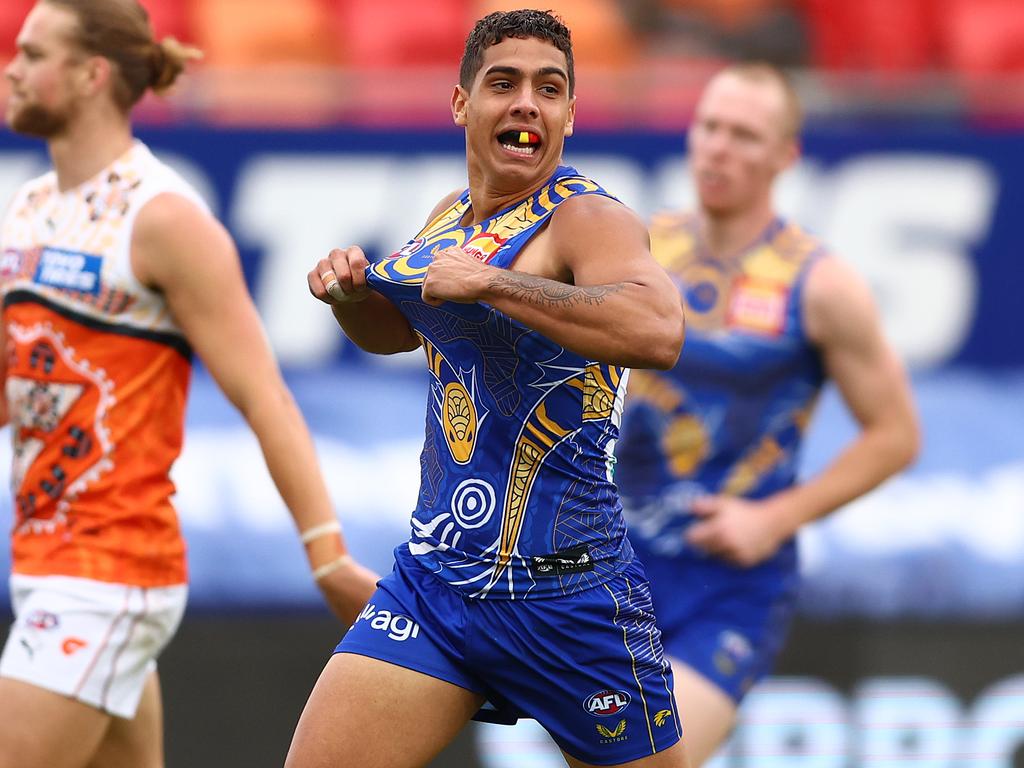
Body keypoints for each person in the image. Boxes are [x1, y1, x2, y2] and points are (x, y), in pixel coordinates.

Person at [289, 9, 689, 768]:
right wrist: (352, 301)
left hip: (572, 599)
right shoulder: (448, 217)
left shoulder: (588, 218)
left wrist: (495, 283)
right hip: (436, 585)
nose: (527, 104)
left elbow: (658, 329)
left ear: (571, 113)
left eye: (550, 88)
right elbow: (400, 334)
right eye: (503, 83)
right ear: (461, 104)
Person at [0, 2, 377, 767]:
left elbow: (263, 394)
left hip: (108, 576)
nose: (11, 66)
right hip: (46, 565)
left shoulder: (164, 217)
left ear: (90, 74)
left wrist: (328, 557)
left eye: (32, 53)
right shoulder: (30, 207)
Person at [614, 63, 921, 766]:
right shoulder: (637, 250)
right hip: (611, 561)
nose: (718, 148)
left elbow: (897, 434)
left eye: (744, 136)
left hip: (730, 578)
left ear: (787, 157)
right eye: (709, 127)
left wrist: (774, 519)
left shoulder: (823, 286)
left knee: (657, 759)